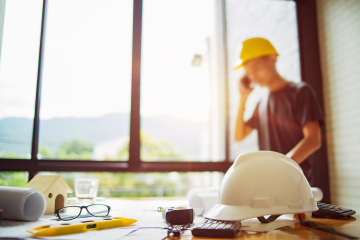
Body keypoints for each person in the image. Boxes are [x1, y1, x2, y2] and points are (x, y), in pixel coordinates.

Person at [234, 37, 323, 185]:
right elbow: (239, 135)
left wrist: (277, 168)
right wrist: (243, 98)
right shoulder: (260, 105)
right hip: (271, 186)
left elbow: (313, 139)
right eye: (248, 73)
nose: (253, 76)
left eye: (255, 68)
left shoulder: (300, 92)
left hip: (298, 188)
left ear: (272, 59)